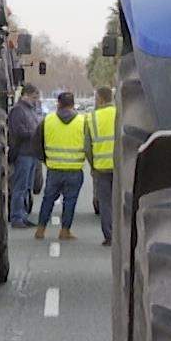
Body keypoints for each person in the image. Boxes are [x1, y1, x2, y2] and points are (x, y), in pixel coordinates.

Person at [34, 90, 86, 241]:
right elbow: (88, 144)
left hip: (54, 169)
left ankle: (40, 229)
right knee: (70, 202)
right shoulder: (82, 121)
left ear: (58, 103)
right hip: (74, 170)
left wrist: (45, 159)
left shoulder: (48, 120)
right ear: (73, 104)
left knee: (48, 199)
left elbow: (37, 142)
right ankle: (65, 231)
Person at [83, 85, 117, 246]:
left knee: (105, 204)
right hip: (120, 167)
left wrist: (92, 165)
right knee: (119, 202)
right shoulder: (120, 114)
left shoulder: (91, 118)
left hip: (101, 167)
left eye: (96, 98)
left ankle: (109, 236)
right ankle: (122, 235)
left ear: (101, 99)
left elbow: (87, 147)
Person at [5, 83, 42, 228]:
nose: (35, 100)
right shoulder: (18, 111)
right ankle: (16, 217)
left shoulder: (31, 111)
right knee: (19, 187)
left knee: (27, 187)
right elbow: (18, 131)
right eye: (34, 97)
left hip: (32, 154)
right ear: (25, 95)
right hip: (23, 153)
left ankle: (24, 215)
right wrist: (35, 134)